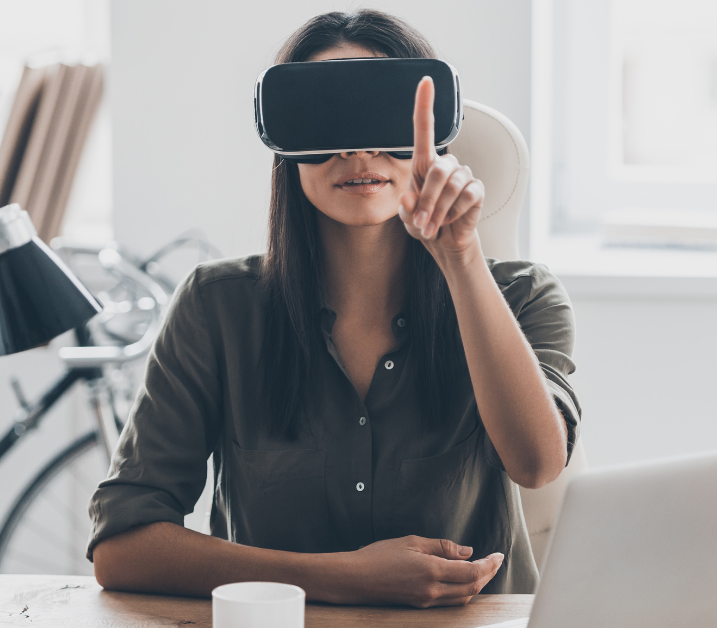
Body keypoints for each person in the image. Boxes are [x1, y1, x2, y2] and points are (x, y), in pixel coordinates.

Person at [87, 9, 580, 608]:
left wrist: (460, 257)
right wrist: (344, 577)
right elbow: (123, 546)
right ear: (288, 144)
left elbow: (537, 464)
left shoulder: (522, 295)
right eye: (327, 117)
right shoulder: (216, 310)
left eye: (381, 113)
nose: (358, 146)